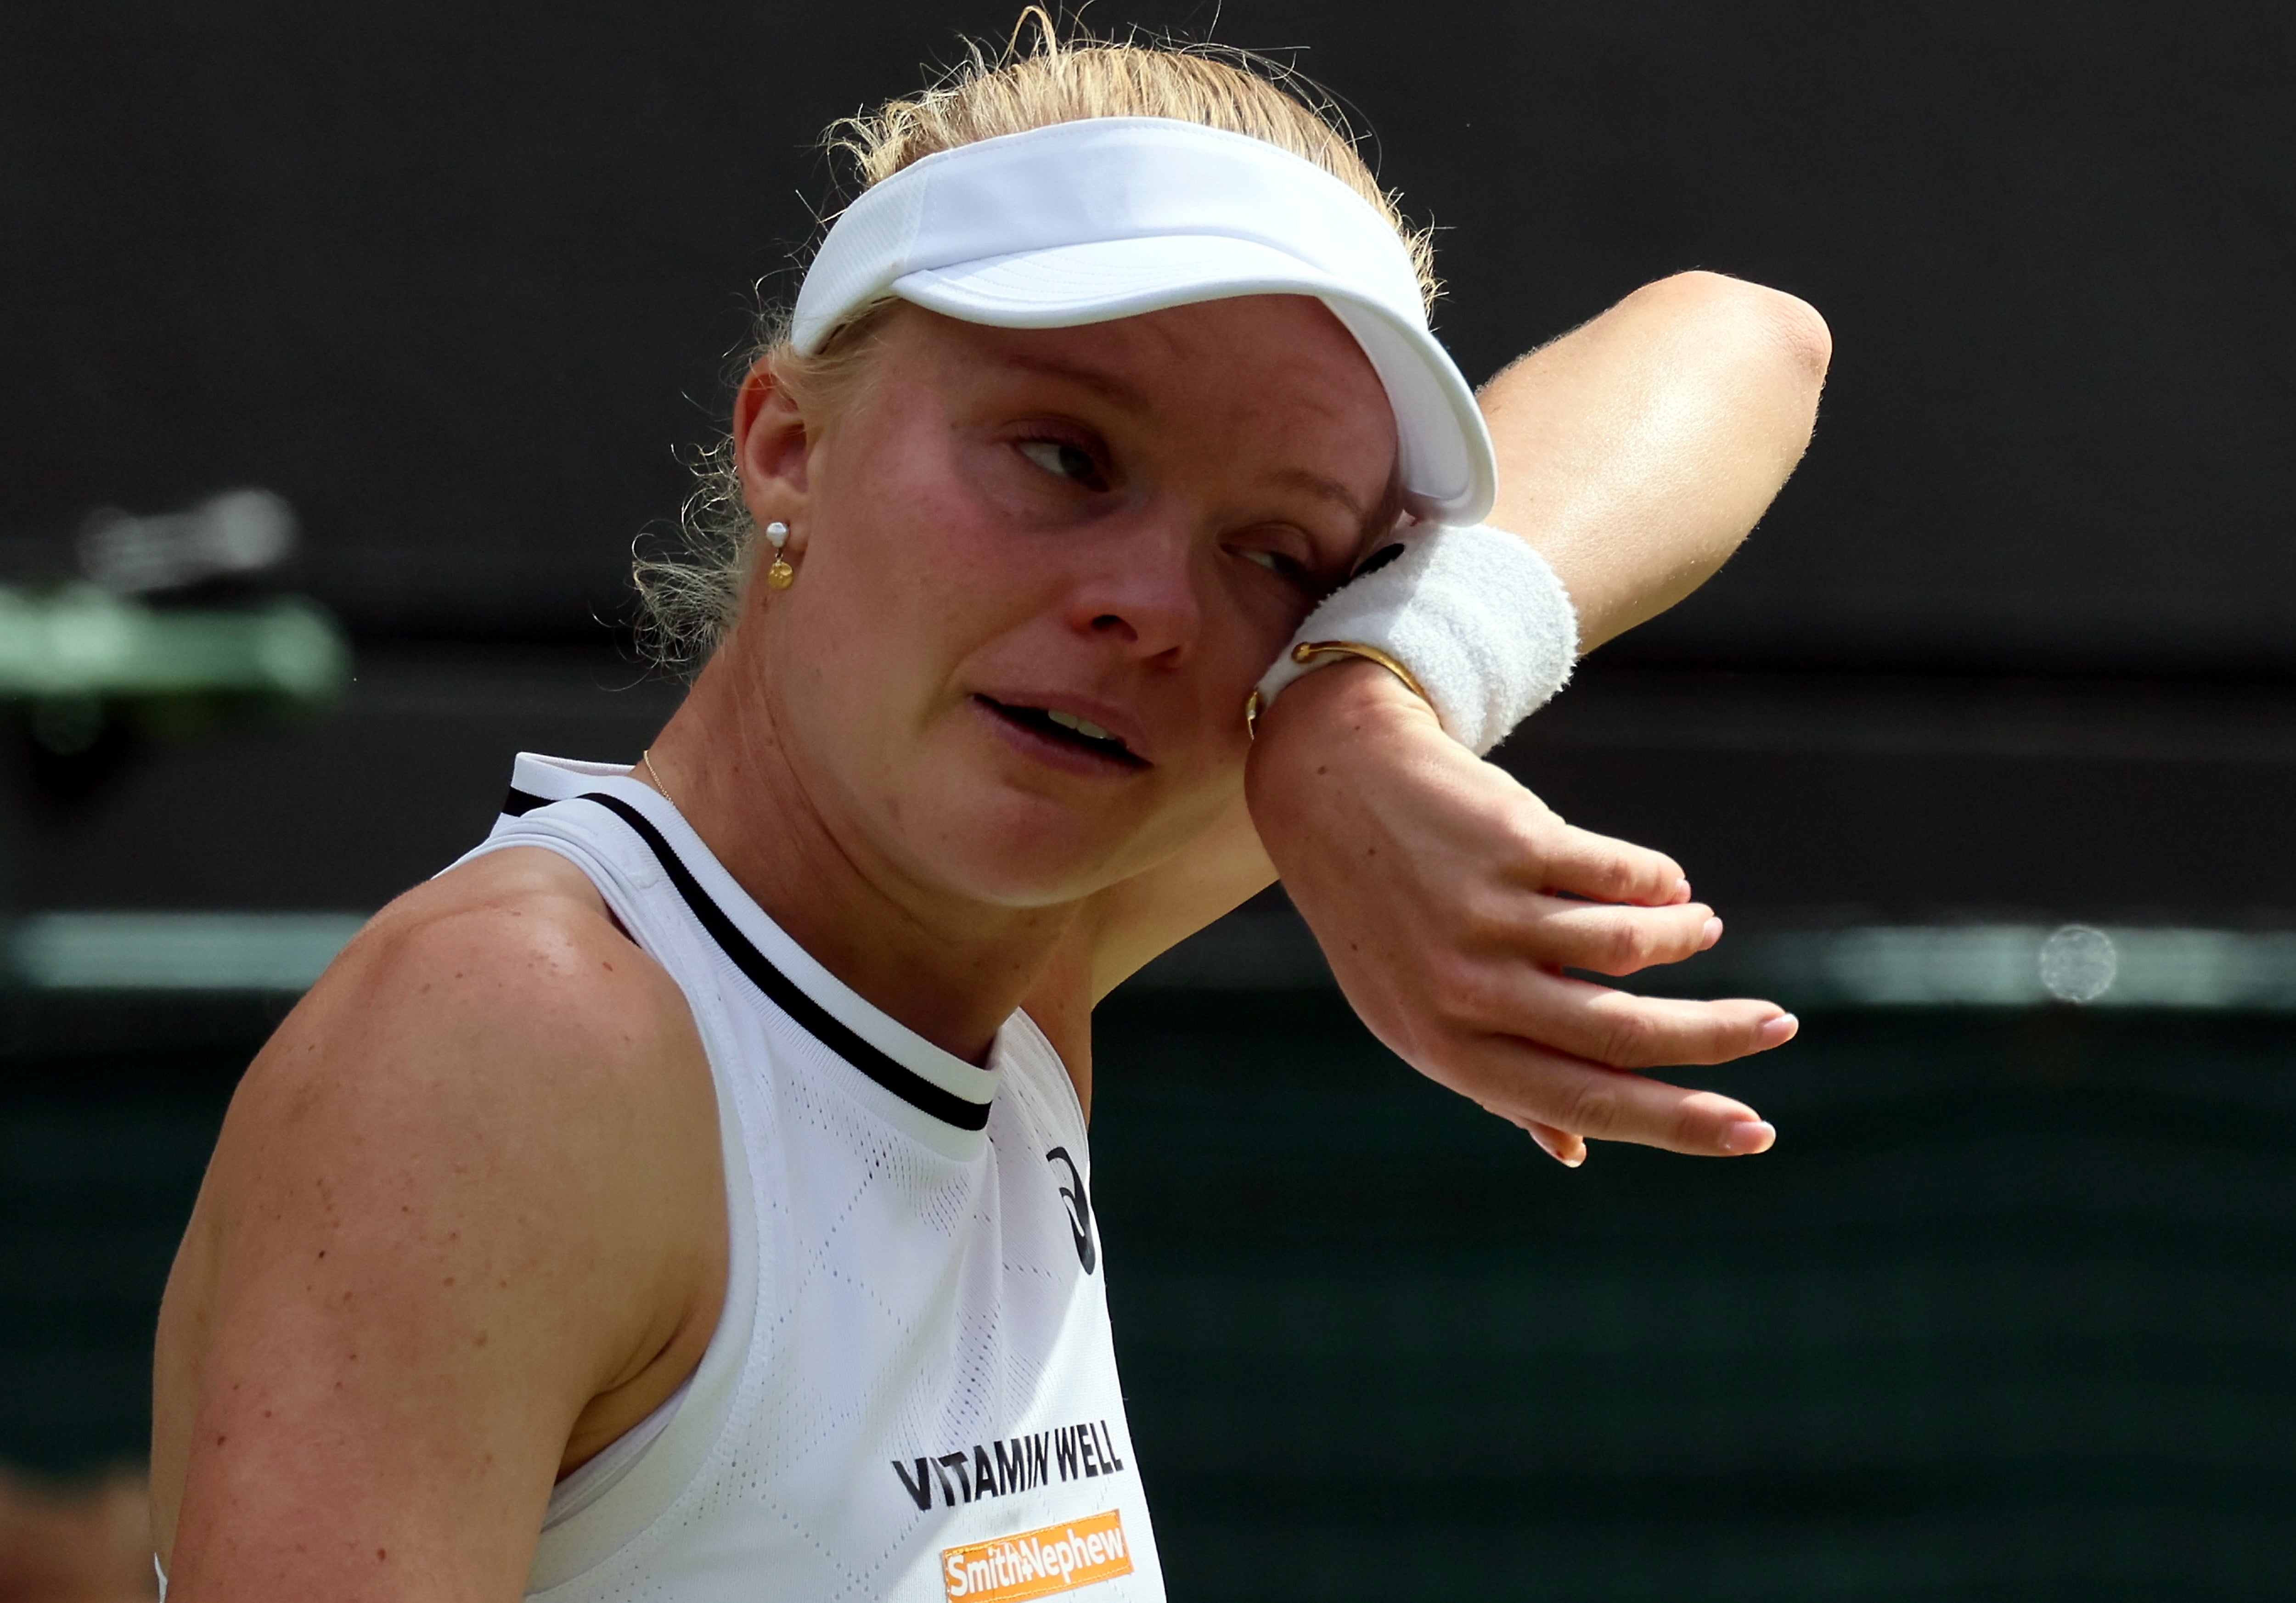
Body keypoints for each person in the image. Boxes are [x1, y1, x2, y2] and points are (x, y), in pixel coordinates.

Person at [149, 23, 1829, 1602]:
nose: (1155, 606)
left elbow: (1750, 339)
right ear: (788, 439)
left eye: (1278, 554)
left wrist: (1360, 701)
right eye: (1064, 455)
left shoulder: (1004, 952)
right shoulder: (527, 1037)